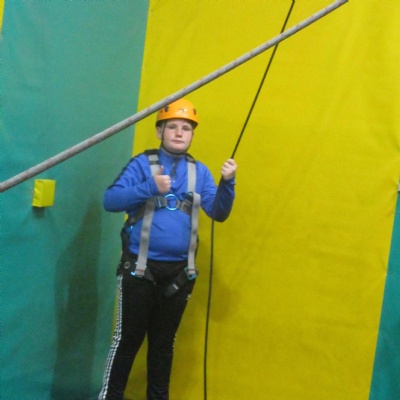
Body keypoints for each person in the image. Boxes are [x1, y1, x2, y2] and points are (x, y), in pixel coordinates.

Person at [98, 98, 237, 400]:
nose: (179, 132)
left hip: (179, 274)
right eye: (172, 126)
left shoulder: (200, 172)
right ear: (159, 131)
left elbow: (218, 212)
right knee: (127, 341)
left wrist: (227, 183)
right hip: (139, 270)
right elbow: (111, 201)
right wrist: (149, 187)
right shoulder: (142, 165)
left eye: (186, 128)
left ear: (192, 135)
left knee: (163, 345)